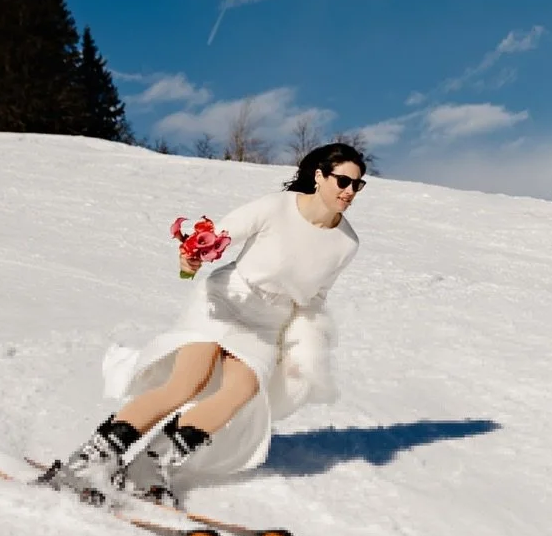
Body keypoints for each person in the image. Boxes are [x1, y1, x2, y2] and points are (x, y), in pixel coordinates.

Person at [40, 142, 367, 508]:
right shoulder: (276, 207)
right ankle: (90, 460)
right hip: (224, 300)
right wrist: (191, 258)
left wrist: (302, 346)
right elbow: (213, 238)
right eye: (343, 181)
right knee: (187, 382)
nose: (349, 192)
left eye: (358, 185)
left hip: (267, 322)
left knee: (239, 394)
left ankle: (150, 465)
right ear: (319, 176)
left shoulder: (346, 243)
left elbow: (315, 298)